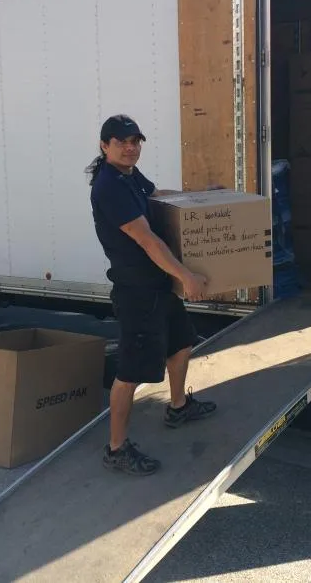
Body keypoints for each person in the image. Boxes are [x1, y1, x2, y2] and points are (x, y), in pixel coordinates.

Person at [88, 114, 218, 476]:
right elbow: (147, 239)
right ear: (104, 145)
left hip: (158, 285)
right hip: (137, 292)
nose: (131, 148)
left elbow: (157, 196)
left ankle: (178, 407)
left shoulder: (129, 177)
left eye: (135, 142)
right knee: (130, 372)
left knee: (181, 344)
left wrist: (203, 196)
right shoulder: (109, 187)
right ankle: (116, 449)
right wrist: (186, 275)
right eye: (122, 142)